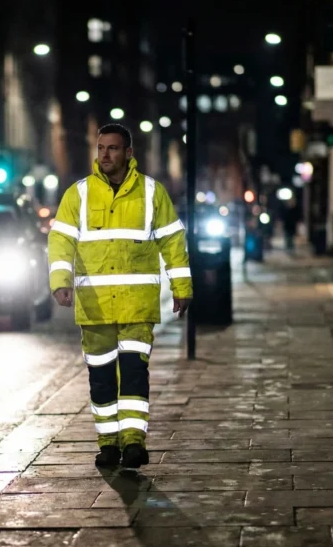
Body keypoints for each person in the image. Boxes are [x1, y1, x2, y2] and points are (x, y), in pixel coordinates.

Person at [48, 123, 193, 469]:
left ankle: (133, 443)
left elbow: (173, 241)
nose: (106, 155)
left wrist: (182, 287)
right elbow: (60, 241)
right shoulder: (78, 194)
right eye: (101, 148)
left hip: (136, 305)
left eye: (113, 149)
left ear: (129, 153)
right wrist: (60, 281)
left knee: (133, 374)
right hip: (94, 306)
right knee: (100, 378)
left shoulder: (151, 192)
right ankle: (108, 444)